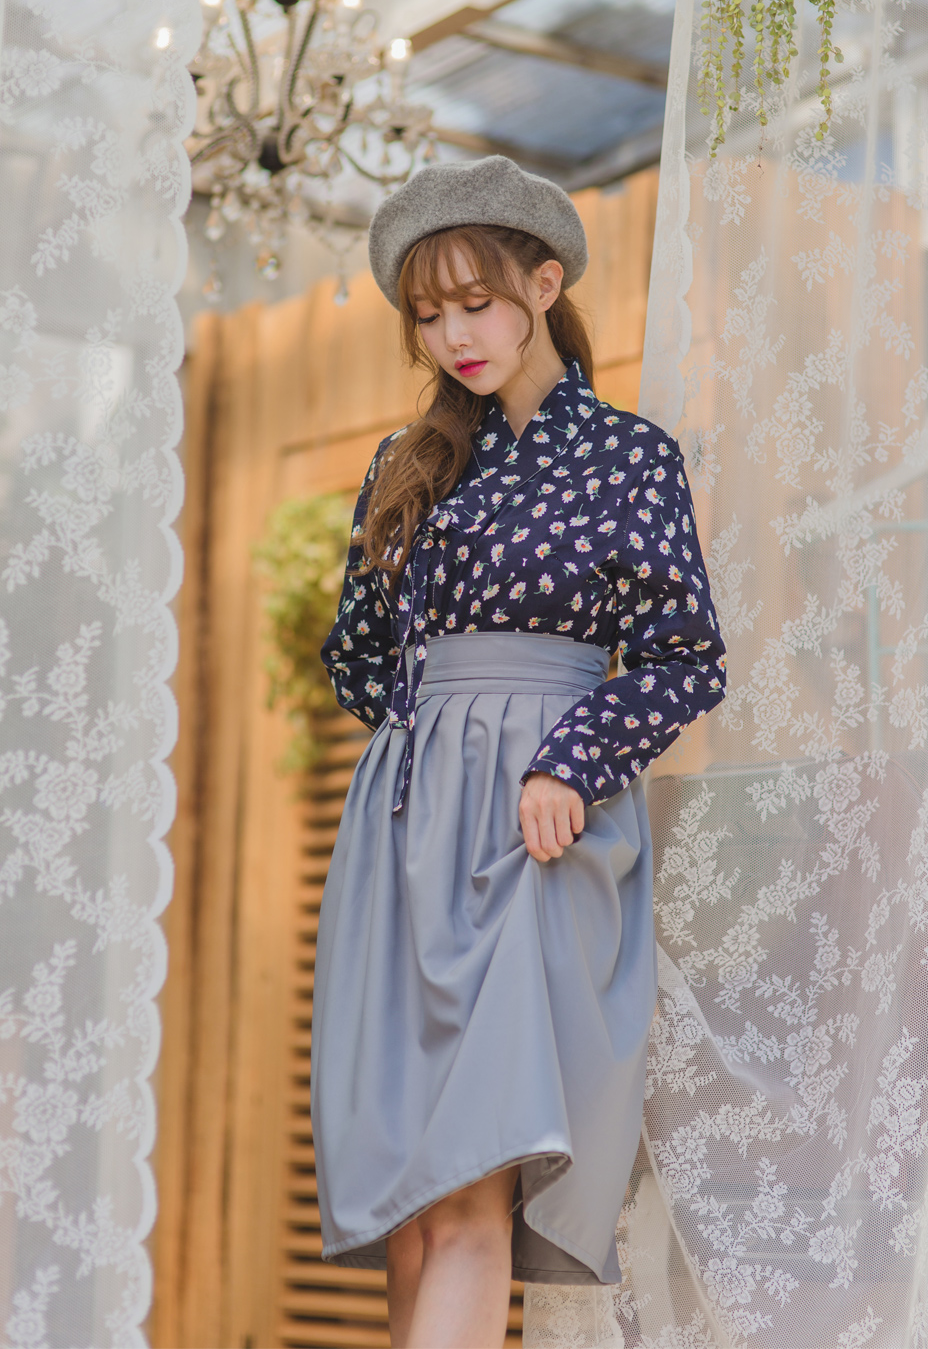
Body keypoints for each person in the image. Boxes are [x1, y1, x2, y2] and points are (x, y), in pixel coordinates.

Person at [312, 155, 726, 1349]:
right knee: (410, 1206)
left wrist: (565, 755)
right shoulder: (403, 466)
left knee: (467, 1186)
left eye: (476, 302)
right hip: (405, 832)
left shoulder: (629, 456)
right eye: (427, 315)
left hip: (539, 830)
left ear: (543, 285)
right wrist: (435, 714)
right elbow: (358, 659)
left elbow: (683, 656)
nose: (454, 336)